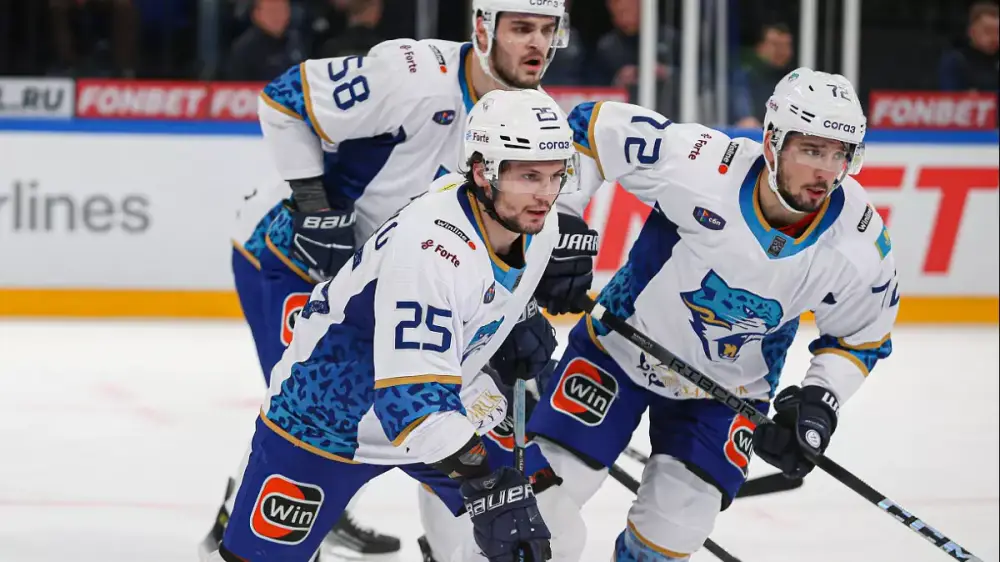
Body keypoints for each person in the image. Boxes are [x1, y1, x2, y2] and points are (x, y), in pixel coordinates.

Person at [204, 0, 578, 558]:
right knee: (317, 400)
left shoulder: (530, 123)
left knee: (436, 411)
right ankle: (257, 511)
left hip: (402, 277)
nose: (538, 45)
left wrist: (513, 316)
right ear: (482, 28)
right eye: (522, 27)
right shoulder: (413, 75)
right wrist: (313, 203)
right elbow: (283, 99)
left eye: (548, 30)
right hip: (302, 261)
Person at [524, 67, 898, 560]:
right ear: (773, 142)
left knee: (674, 530)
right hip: (618, 350)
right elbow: (588, 129)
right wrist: (562, 220)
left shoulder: (860, 242)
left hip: (729, 394)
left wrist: (819, 403)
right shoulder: (700, 165)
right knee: (544, 509)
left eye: (839, 154)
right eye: (811, 150)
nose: (826, 171)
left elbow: (860, 337)